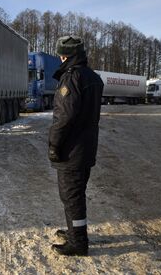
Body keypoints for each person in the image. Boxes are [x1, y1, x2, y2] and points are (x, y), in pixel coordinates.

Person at [48, 35, 104, 256]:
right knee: (76, 194)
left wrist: (54, 144)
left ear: (65, 56)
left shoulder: (71, 78)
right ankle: (75, 232)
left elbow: (64, 117)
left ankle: (78, 242)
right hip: (86, 146)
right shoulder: (93, 77)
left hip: (71, 150)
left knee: (71, 196)